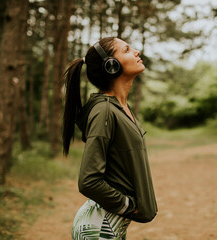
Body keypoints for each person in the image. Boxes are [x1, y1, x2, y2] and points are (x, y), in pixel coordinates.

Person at [62, 37, 158, 240]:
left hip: (111, 226)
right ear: (111, 65)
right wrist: (128, 205)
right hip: (99, 228)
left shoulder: (120, 108)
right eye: (127, 50)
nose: (136, 52)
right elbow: (88, 181)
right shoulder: (104, 110)